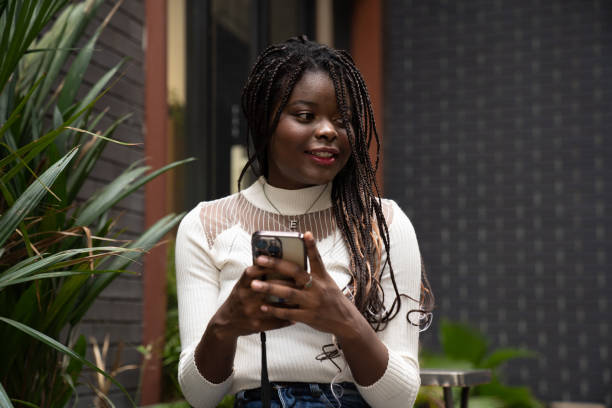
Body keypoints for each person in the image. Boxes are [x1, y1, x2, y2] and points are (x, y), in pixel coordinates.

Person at [175, 36, 433, 408]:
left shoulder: (383, 223)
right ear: (265, 122)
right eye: (305, 116)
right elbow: (200, 397)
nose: (329, 130)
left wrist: (344, 320)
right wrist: (225, 325)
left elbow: (400, 399)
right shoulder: (207, 225)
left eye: (343, 120)